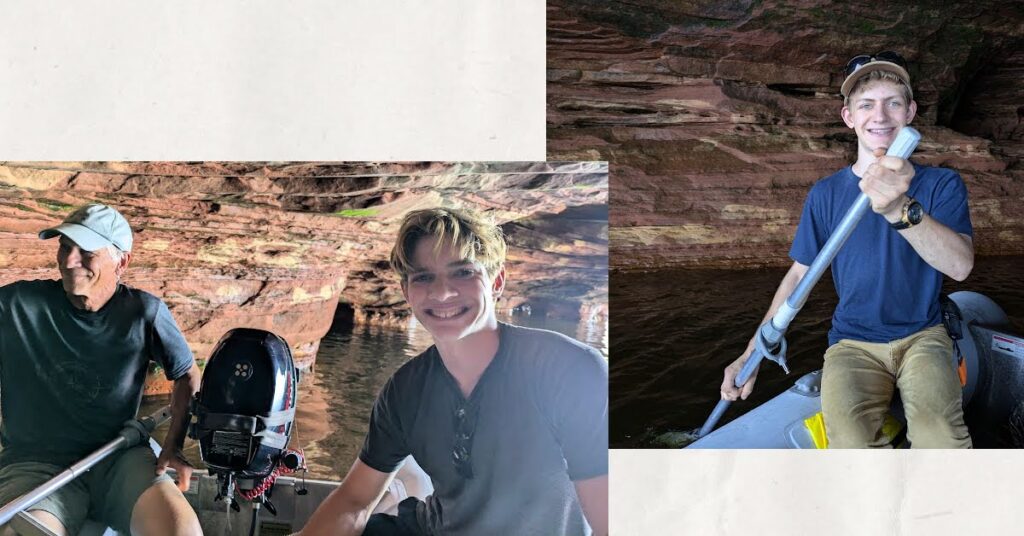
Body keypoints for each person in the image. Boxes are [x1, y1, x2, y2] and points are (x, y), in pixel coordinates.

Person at [720, 51, 975, 449]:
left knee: (940, 435)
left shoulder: (942, 184)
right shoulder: (825, 194)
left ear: (910, 112)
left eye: (893, 103)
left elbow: (959, 267)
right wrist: (751, 354)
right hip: (852, 342)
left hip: (924, 335)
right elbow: (799, 276)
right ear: (848, 117)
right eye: (867, 105)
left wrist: (899, 210)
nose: (881, 115)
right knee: (851, 445)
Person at [300, 208, 608, 535]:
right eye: (423, 277)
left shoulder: (570, 370)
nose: (442, 293)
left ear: (496, 281)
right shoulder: (405, 391)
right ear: (406, 292)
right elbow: (354, 500)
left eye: (462, 272)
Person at [0, 204, 203, 535]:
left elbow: (187, 376)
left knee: (183, 531)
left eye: (86, 251)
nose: (68, 260)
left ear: (121, 261)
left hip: (120, 459)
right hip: (36, 465)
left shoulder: (144, 313)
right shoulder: (15, 305)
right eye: (64, 246)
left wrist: (173, 444)